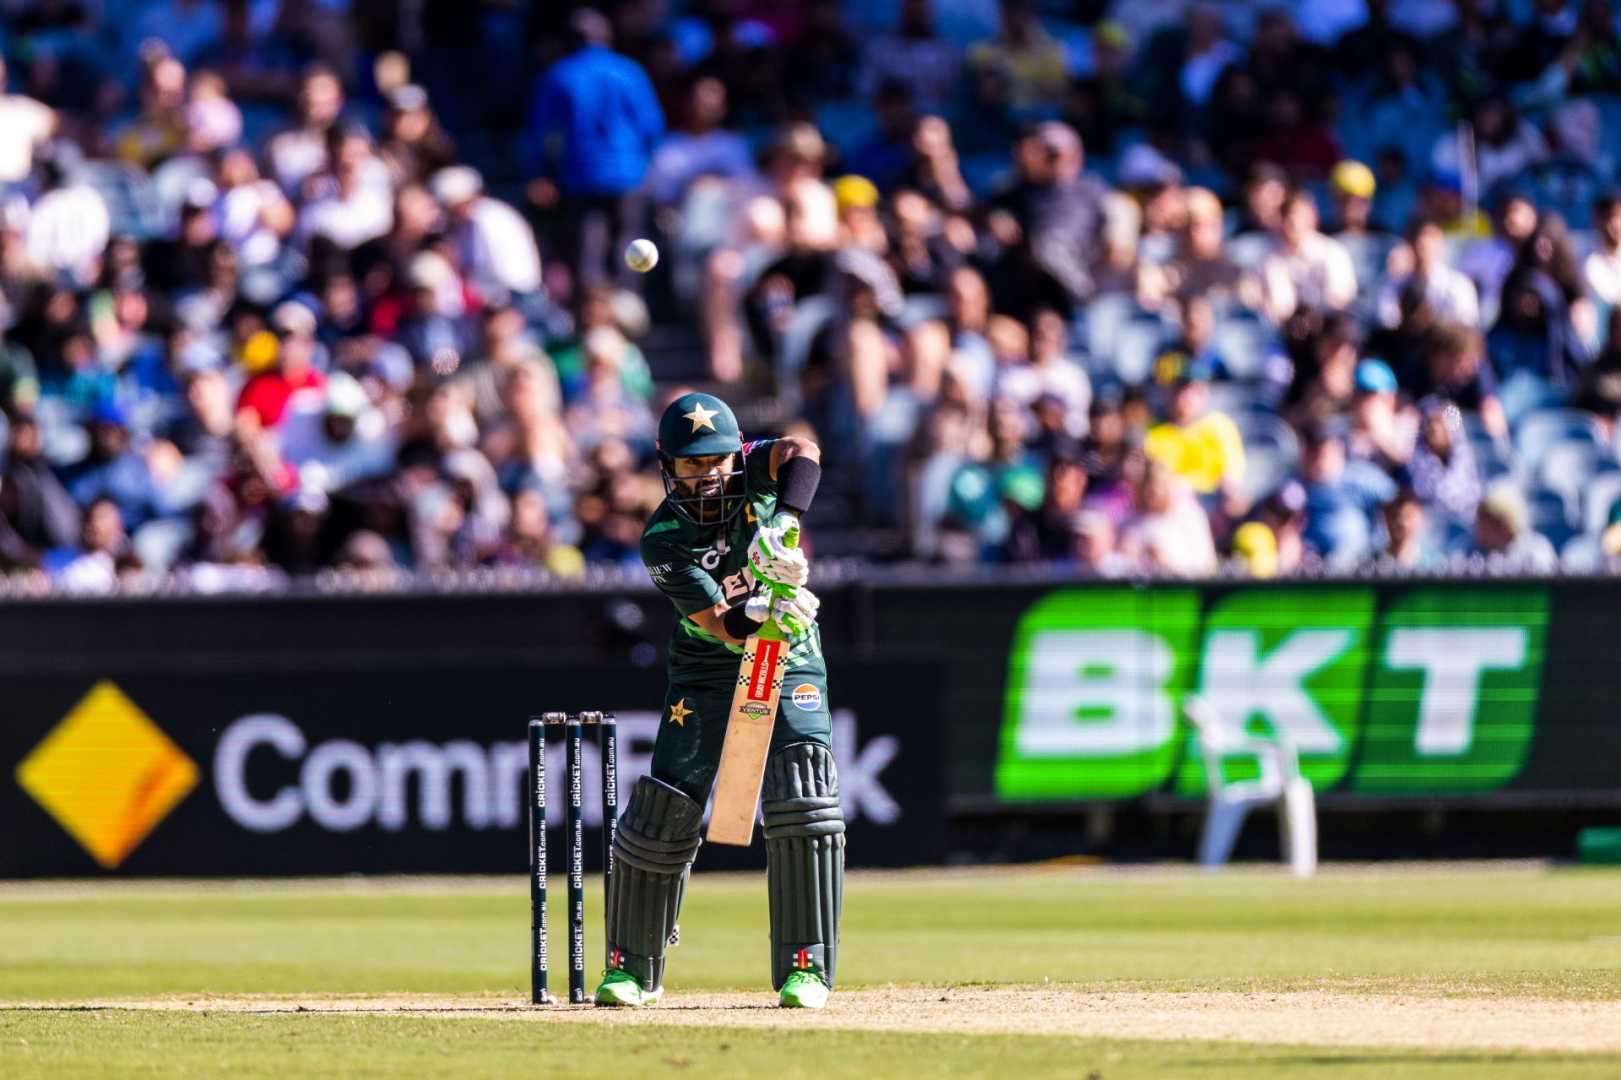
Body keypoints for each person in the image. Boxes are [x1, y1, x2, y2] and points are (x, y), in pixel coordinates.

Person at [598, 392, 838, 1011]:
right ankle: (632, 968)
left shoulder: (754, 467)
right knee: (665, 808)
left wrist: (783, 522)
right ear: (665, 466)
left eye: (717, 462)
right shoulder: (665, 540)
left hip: (790, 650)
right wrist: (761, 605)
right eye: (690, 465)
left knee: (802, 792)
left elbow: (802, 451)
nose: (707, 476)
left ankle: (804, 969)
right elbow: (724, 626)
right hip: (709, 665)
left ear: (737, 455)